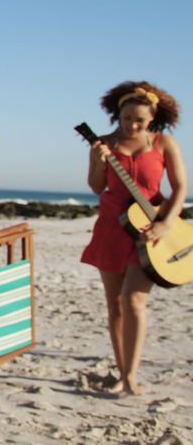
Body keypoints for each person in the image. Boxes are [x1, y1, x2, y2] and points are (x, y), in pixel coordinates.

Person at [81, 81, 186, 396]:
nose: (132, 125)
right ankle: (121, 372)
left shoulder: (164, 144)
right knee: (114, 304)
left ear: (151, 117)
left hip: (150, 229)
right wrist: (96, 162)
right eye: (126, 119)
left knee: (134, 300)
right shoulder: (105, 144)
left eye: (139, 120)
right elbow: (97, 188)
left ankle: (131, 376)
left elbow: (180, 188)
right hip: (112, 227)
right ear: (118, 115)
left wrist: (166, 224)